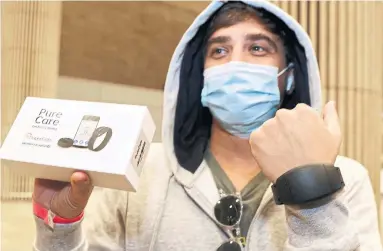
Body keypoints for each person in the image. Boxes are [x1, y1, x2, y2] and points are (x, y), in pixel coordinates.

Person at [32, 1, 382, 250]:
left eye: (258, 48)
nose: (235, 64)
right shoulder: (139, 173)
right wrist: (60, 230)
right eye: (219, 51)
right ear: (199, 77)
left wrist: (312, 197)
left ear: (288, 77)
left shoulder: (344, 180)